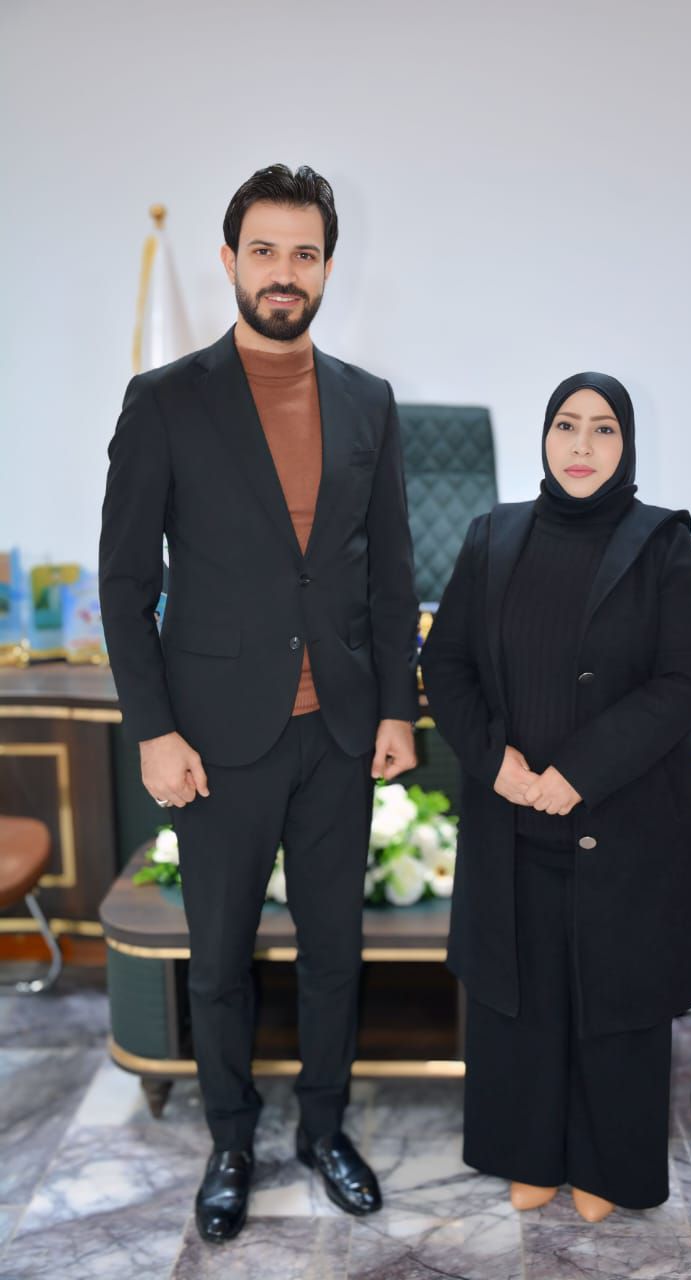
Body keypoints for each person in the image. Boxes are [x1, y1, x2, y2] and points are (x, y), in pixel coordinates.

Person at [99, 164, 418, 1243]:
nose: (286, 273)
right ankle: (230, 1140)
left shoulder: (369, 401)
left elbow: (389, 577)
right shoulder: (165, 400)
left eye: (306, 253)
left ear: (328, 267)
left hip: (339, 731)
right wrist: (154, 730)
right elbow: (124, 583)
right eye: (267, 251)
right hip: (214, 737)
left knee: (334, 951)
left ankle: (324, 1129)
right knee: (221, 957)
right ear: (230, 260)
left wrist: (396, 708)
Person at [420, 372, 691, 1221]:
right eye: (565, 425)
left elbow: (685, 677)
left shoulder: (662, 544)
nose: (581, 445)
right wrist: (495, 764)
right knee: (522, 992)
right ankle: (528, 1156)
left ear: (626, 444)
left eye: (602, 429)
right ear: (545, 438)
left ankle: (605, 1166)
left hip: (622, 818)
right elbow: (445, 663)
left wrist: (578, 773)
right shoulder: (492, 535)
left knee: (614, 995)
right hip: (511, 816)